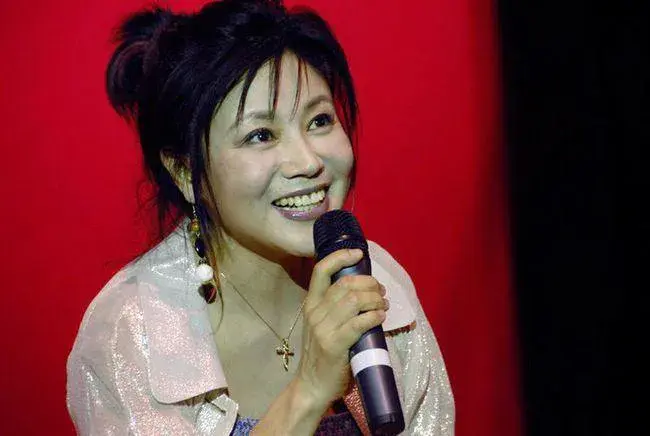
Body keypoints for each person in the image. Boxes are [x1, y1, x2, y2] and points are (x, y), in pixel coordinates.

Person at [66, 0, 454, 434]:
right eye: (261, 135)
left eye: (319, 120)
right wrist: (308, 391)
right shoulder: (133, 329)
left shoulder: (376, 284)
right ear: (186, 172)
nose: (308, 161)